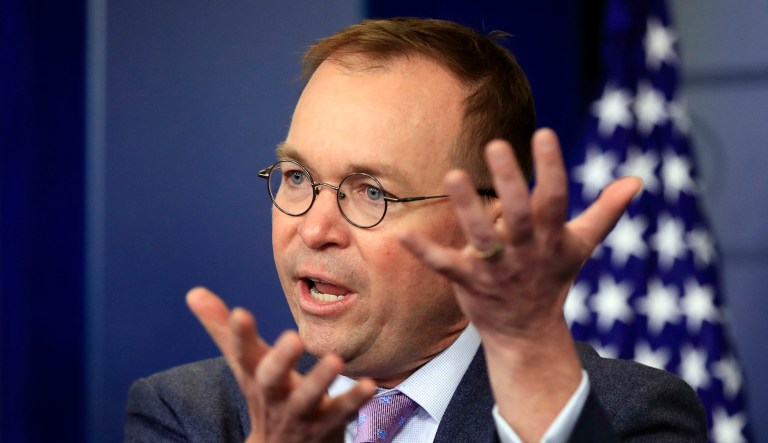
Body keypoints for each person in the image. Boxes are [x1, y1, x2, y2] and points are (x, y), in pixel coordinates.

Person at [125, 17, 707, 442]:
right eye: (298, 176)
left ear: (492, 221)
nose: (315, 227)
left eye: (371, 191)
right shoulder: (192, 415)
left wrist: (533, 383)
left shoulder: (629, 415)